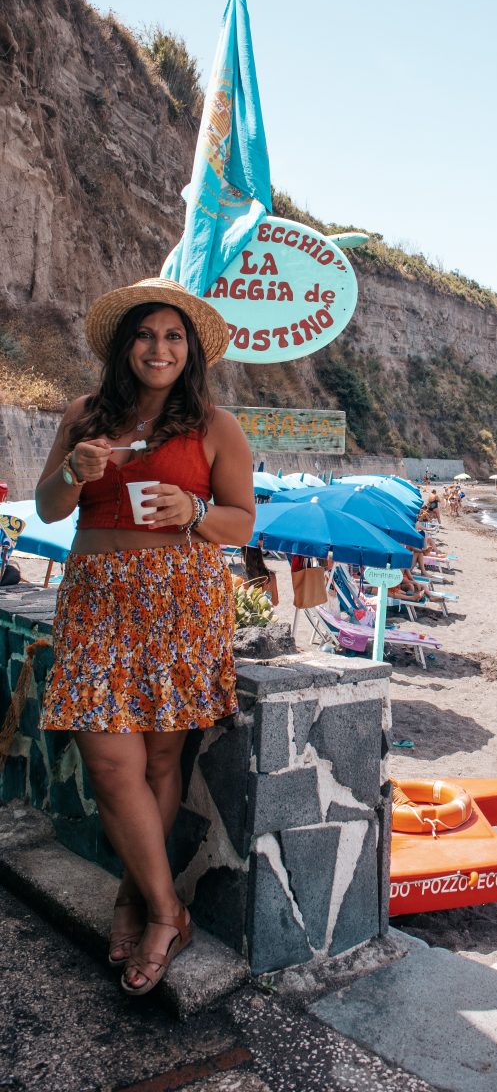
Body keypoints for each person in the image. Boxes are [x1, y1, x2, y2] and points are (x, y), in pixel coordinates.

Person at [35, 278, 255, 997]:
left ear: (188, 350)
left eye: (172, 336)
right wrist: (75, 468)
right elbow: (47, 503)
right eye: (144, 334)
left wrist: (193, 509)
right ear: (124, 346)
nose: (157, 347)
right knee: (108, 760)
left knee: (163, 765)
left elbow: (243, 523)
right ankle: (168, 910)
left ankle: (135, 900)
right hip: (96, 602)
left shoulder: (215, 426)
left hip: (177, 603)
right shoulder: (84, 415)